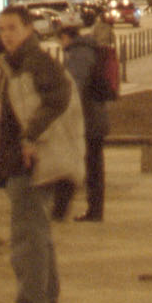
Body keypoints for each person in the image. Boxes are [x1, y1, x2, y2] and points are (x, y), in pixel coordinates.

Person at [0, 4, 85, 303]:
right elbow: (16, 112)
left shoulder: (34, 62)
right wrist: (3, 142)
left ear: (30, 28)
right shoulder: (14, 64)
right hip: (19, 157)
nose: (6, 35)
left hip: (32, 162)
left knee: (28, 239)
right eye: (1, 29)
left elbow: (59, 97)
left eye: (12, 28)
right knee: (37, 236)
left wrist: (29, 137)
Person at [52, 19, 109, 222]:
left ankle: (77, 210)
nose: (60, 45)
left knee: (84, 164)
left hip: (88, 119)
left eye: (60, 40)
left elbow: (75, 85)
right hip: (93, 116)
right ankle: (91, 210)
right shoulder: (85, 50)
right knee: (90, 164)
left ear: (66, 37)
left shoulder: (78, 53)